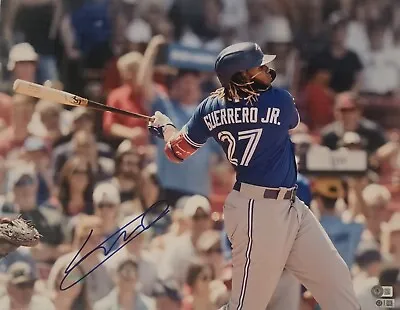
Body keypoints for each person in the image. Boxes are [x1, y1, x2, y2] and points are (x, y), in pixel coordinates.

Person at [147, 42, 360, 309]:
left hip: (290, 207)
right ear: (241, 75)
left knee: (337, 283)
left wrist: (165, 126)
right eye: (259, 66)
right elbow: (290, 121)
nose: (267, 70)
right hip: (257, 213)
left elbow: (177, 151)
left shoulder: (209, 108)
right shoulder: (279, 100)